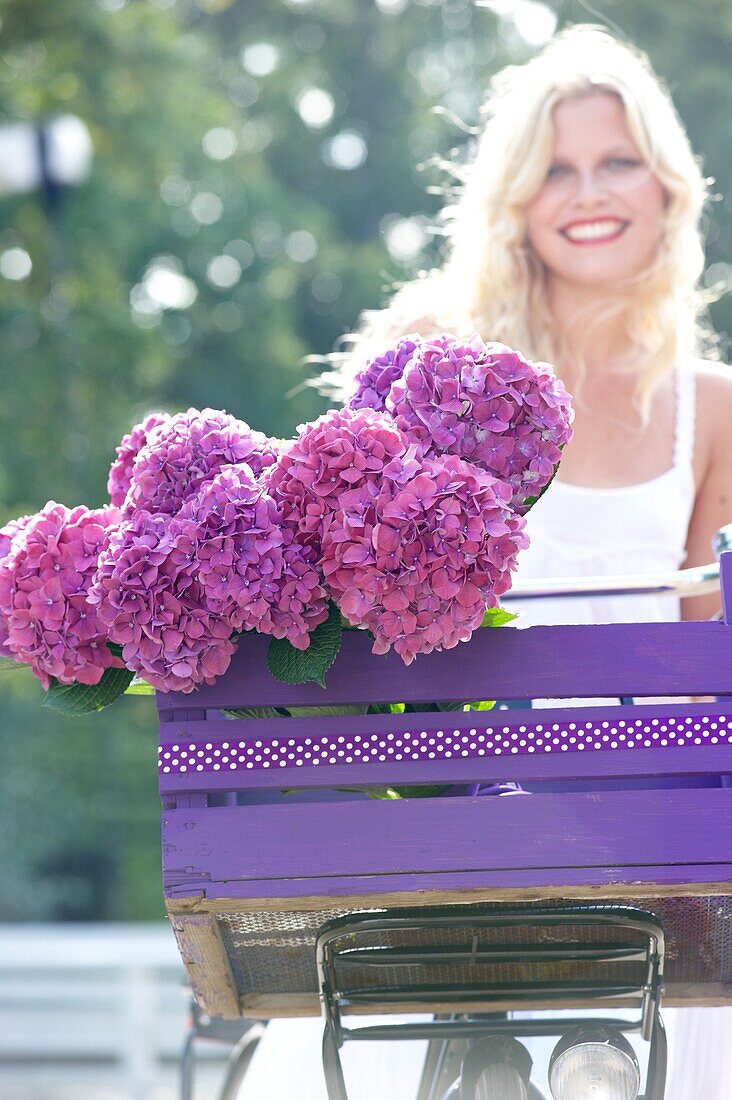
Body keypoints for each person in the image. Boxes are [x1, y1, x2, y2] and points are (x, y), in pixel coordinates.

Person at [241, 25, 732, 1100]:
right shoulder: (436, 347)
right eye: (556, 166)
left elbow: (709, 662)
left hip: (637, 833)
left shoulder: (713, 404)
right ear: (514, 195)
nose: (589, 191)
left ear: (665, 185)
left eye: (616, 161)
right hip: (452, 831)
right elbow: (338, 577)